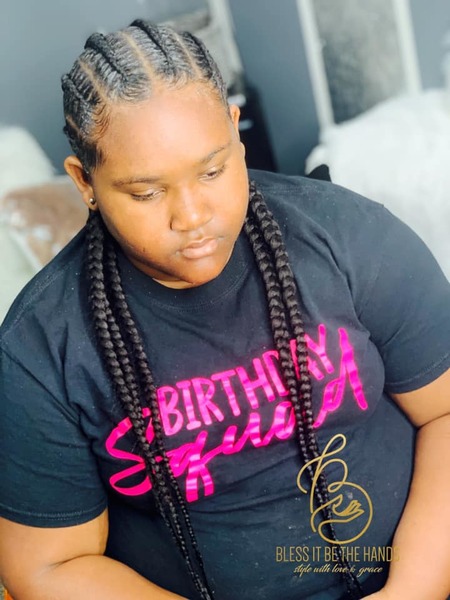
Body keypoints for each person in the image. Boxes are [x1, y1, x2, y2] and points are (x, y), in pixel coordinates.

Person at [0, 18, 449, 600]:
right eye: (147, 192)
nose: (192, 216)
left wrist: (412, 591)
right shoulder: (39, 349)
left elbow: (444, 412)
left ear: (236, 133)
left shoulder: (351, 237)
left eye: (212, 170)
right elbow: (47, 566)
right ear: (85, 182)